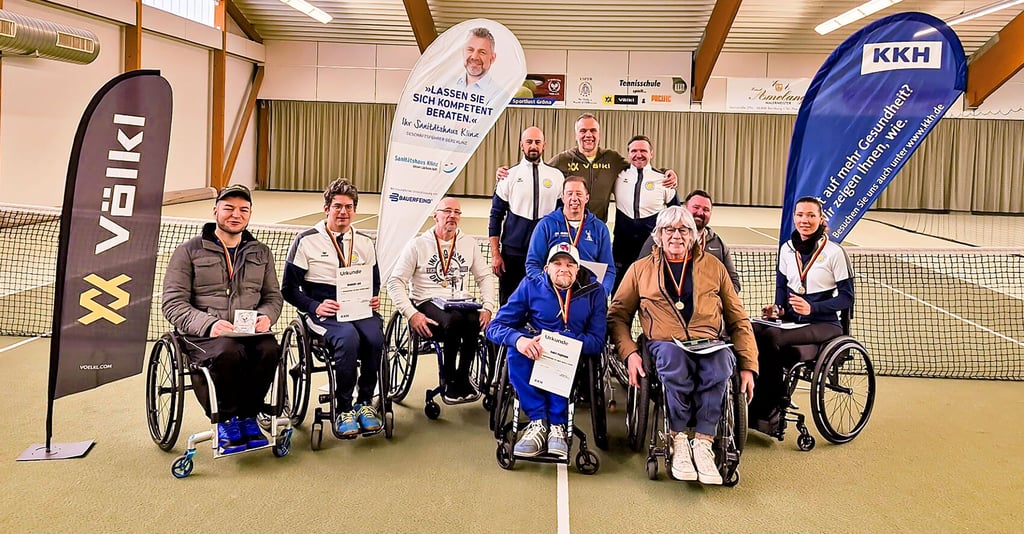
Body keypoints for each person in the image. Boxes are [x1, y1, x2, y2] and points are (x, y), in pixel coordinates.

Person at [608, 206, 757, 485]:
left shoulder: (715, 267)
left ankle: (703, 442)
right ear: (658, 236)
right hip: (663, 343)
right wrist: (629, 353)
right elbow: (617, 316)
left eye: (684, 229)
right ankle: (677, 439)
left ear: (694, 236)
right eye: (669, 230)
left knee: (722, 363)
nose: (676, 235)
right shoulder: (640, 270)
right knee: (675, 360)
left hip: (709, 342)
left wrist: (748, 366)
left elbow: (738, 319)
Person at [162, 184, 283, 455]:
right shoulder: (187, 252)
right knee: (229, 352)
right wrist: (210, 325)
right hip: (203, 335)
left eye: (243, 209)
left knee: (269, 350)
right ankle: (226, 420)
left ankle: (249, 417)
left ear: (250, 214)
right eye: (228, 208)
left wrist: (266, 317)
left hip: (250, 332)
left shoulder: (260, 252)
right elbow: (173, 303)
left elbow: (273, 296)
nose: (235, 215)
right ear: (215, 210)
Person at [281, 179, 384, 437]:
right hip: (323, 311)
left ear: (355, 211)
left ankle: (364, 403)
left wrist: (372, 298)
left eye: (348, 207)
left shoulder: (364, 241)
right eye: (337, 206)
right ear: (326, 208)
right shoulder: (306, 241)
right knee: (347, 338)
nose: (343, 212)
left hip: (359, 308)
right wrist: (315, 306)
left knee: (374, 337)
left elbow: (375, 282)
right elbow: (289, 289)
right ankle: (344, 407)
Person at [487, 242, 606, 458]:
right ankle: (538, 422)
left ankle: (558, 426)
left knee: (561, 353)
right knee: (516, 352)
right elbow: (494, 327)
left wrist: (566, 341)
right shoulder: (530, 285)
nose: (564, 268)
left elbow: (597, 342)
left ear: (578, 270)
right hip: (535, 349)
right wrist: (519, 339)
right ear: (546, 268)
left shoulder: (595, 292)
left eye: (570, 265)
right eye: (557, 263)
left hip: (572, 355)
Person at [748, 196, 854, 434]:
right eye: (800, 215)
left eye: (810, 215)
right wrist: (777, 309)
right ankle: (751, 399)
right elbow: (782, 288)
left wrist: (813, 308)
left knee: (772, 338)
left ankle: (773, 406)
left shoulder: (835, 252)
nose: (804, 220)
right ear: (794, 217)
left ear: (821, 219)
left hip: (825, 324)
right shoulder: (786, 249)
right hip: (792, 321)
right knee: (751, 329)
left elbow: (847, 298)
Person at [387, 197, 498, 402]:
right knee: (454, 320)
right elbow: (395, 282)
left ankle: (463, 377)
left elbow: (485, 277)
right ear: (435, 215)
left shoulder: (468, 243)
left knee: (474, 320)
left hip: (459, 302)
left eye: (457, 212)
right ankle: (448, 380)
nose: (452, 216)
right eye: (447, 211)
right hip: (427, 301)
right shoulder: (417, 245)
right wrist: (412, 314)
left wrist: (489, 307)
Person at [497, 113, 678, 222]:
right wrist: (508, 174)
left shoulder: (612, 159)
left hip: (598, 227)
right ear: (576, 134)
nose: (588, 135)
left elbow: (639, 165)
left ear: (599, 134)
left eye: (593, 131)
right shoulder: (563, 159)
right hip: (569, 227)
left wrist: (665, 173)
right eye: (583, 131)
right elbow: (535, 170)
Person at [488, 126, 564, 304]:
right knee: (510, 303)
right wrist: (495, 254)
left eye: (537, 142)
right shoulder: (508, 176)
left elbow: (563, 218)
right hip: (512, 254)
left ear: (544, 145)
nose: (533, 146)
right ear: (522, 145)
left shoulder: (557, 177)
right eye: (529, 142)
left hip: (544, 253)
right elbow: (495, 216)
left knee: (543, 303)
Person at [525, 176, 615, 297]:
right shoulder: (546, 225)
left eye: (579, 194)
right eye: (569, 194)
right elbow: (533, 264)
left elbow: (609, 269)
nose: (574, 198)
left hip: (587, 296)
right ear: (563, 197)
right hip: (553, 294)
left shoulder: (599, 228)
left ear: (587, 198)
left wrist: (601, 293)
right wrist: (547, 288)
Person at [611, 135, 679, 292]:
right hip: (622, 247)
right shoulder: (618, 177)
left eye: (643, 150)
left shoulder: (664, 180)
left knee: (651, 293)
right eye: (634, 151)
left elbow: (676, 214)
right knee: (620, 293)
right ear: (628, 154)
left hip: (652, 248)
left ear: (651, 153)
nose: (638, 154)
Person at [639, 189, 741, 293]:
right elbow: (640, 273)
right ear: (684, 208)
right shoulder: (659, 237)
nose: (700, 212)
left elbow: (733, 282)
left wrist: (715, 303)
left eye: (706, 209)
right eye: (696, 207)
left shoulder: (718, 244)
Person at [453, 27, 499, 100]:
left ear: (493, 58)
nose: (474, 57)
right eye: (470, 50)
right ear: (463, 52)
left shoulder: (499, 95)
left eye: (482, 52)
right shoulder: (447, 86)